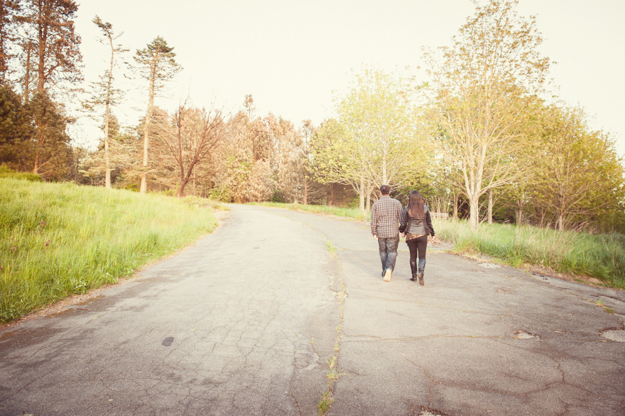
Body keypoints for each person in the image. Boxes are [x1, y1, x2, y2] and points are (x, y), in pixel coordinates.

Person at [400, 190, 435, 285]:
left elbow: (403, 223)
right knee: (422, 256)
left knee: (412, 256)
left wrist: (402, 231)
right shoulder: (425, 208)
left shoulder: (407, 208)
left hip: (411, 235)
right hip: (423, 235)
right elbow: (429, 223)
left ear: (410, 198)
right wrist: (432, 233)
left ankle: (414, 276)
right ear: (420, 198)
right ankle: (421, 271)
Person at [371, 185, 402, 282]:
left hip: (381, 232)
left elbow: (373, 220)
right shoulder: (396, 203)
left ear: (380, 193)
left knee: (383, 252)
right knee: (392, 251)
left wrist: (374, 232)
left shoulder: (376, 204)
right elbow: (401, 218)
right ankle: (388, 269)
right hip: (393, 231)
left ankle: (385, 270)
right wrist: (402, 230)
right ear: (389, 192)